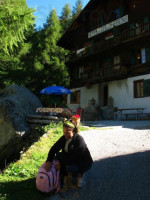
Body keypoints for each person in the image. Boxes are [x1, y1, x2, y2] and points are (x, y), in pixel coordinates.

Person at [45, 120, 93, 190]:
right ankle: (63, 175)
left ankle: (81, 175)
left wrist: (61, 164)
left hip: (82, 162)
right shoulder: (63, 138)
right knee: (58, 156)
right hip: (70, 158)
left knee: (70, 168)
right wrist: (48, 161)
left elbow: (76, 157)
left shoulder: (79, 140)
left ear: (73, 131)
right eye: (64, 132)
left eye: (68, 133)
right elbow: (54, 148)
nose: (65, 135)